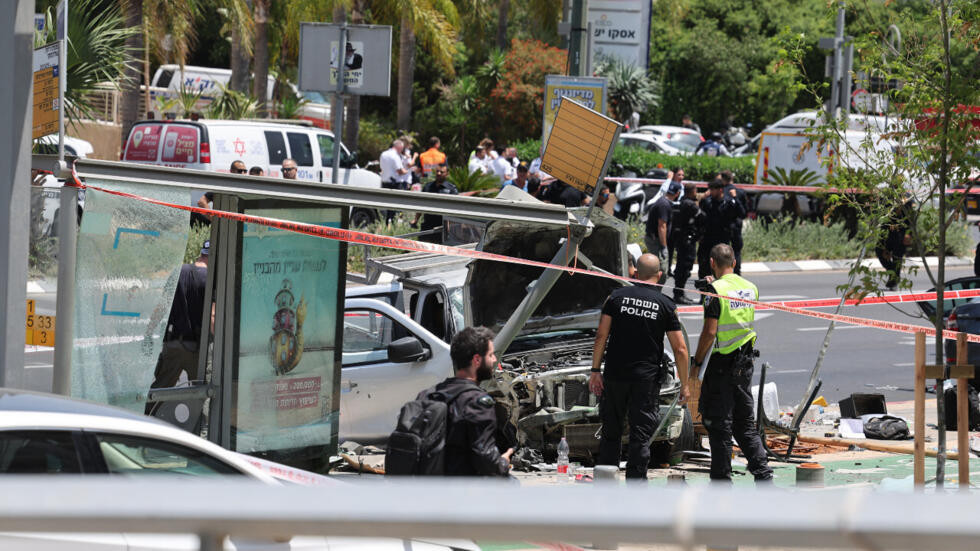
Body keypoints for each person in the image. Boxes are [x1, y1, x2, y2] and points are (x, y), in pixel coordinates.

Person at [589, 254, 690, 479]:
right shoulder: (666, 304)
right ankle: (636, 486)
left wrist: (595, 371)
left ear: (635, 273)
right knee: (640, 435)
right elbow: (680, 349)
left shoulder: (615, 298)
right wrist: (684, 384)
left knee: (611, 432)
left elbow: (601, 336)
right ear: (660, 275)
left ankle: (605, 483)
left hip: (615, 375)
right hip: (645, 380)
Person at [689, 244, 772, 484]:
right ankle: (764, 477)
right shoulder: (750, 288)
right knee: (745, 424)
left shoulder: (715, 290)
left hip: (722, 365)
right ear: (734, 263)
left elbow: (710, 331)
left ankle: (721, 482)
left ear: (712, 264)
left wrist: (697, 362)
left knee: (720, 425)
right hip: (744, 363)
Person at [419, 326, 514, 477]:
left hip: (428, 488)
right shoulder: (478, 403)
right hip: (462, 491)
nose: (494, 360)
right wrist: (503, 461)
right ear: (477, 360)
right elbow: (485, 460)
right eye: (491, 355)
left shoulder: (426, 395)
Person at [144, 240, 210, 415]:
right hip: (198, 349)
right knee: (202, 394)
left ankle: (146, 423)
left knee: (159, 392)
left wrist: (149, 331)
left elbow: (162, 307)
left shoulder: (179, 272)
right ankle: (199, 431)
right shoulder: (211, 279)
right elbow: (213, 316)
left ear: (201, 254)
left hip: (173, 345)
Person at [697, 178, 745, 280]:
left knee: (722, 268)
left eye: (712, 189)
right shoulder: (707, 202)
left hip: (722, 240)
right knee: (704, 268)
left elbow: (742, 213)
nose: (710, 191)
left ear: (720, 190)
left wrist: (735, 199)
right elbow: (700, 218)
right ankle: (704, 294)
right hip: (707, 240)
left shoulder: (728, 202)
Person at [670, 183, 703, 305]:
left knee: (683, 266)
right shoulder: (689, 204)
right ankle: (678, 294)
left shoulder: (681, 202)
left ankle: (680, 293)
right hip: (687, 240)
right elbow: (702, 217)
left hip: (681, 240)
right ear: (691, 191)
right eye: (695, 191)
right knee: (684, 267)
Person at [876, 195, 913, 291]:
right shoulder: (886, 199)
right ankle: (892, 272)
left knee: (897, 256)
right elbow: (883, 222)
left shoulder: (907, 199)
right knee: (879, 250)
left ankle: (894, 280)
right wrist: (883, 243)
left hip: (901, 233)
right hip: (888, 233)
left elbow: (912, 220)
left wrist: (909, 234)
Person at [412, 166, 458, 243]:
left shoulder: (452, 189)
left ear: (447, 174)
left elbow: (455, 210)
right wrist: (416, 220)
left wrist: (450, 227)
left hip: (442, 226)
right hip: (427, 224)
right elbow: (421, 205)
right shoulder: (428, 187)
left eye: (442, 172)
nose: (439, 173)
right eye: (437, 171)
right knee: (423, 249)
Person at [645, 181, 681, 279]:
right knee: (661, 270)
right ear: (677, 193)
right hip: (656, 241)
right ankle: (656, 291)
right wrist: (664, 247)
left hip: (655, 240)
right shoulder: (664, 205)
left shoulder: (663, 202)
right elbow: (662, 226)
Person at [719, 170, 748, 274]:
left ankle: (724, 272)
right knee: (736, 251)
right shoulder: (740, 192)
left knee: (722, 251)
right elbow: (744, 213)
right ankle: (737, 272)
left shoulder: (721, 191)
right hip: (736, 226)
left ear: (722, 179)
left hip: (724, 226)